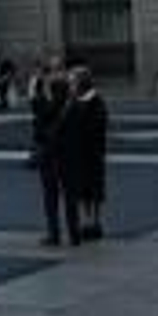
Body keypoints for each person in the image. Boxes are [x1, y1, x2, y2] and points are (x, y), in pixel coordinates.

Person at [60, 66, 109, 240]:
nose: (70, 85)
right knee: (83, 191)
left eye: (73, 81)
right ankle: (87, 222)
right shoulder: (76, 100)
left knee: (93, 190)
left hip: (91, 154)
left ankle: (94, 224)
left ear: (81, 83)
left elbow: (94, 127)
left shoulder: (95, 101)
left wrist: (74, 107)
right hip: (81, 154)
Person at [35, 67, 77, 246]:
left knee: (51, 196)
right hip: (69, 155)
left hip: (49, 154)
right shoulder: (72, 106)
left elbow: (38, 129)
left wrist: (39, 95)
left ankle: (54, 233)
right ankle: (74, 233)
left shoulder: (45, 106)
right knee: (70, 195)